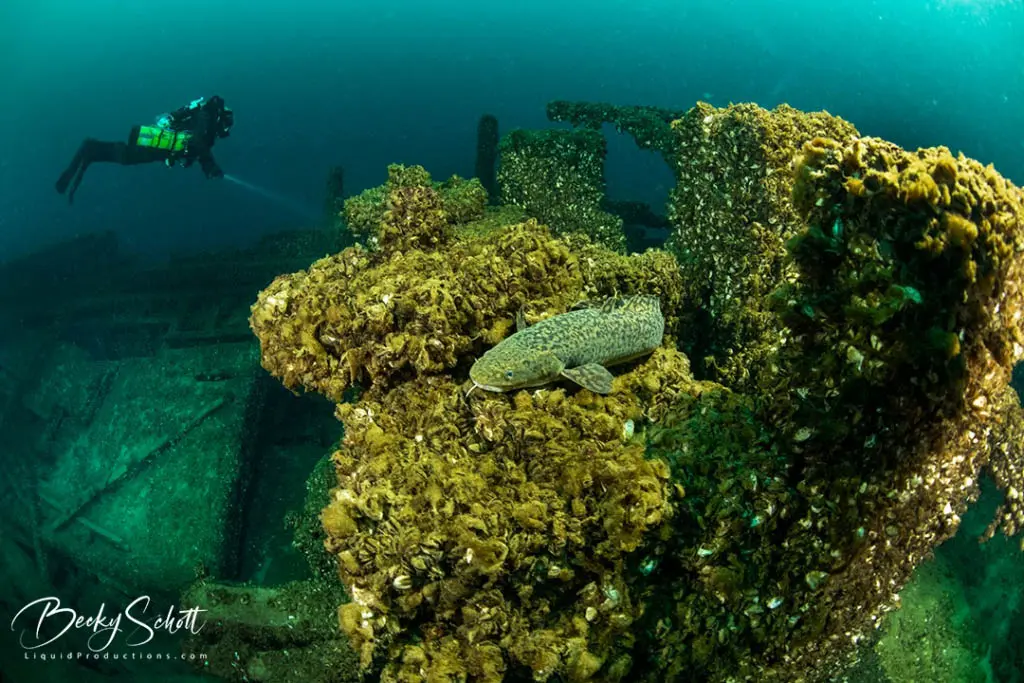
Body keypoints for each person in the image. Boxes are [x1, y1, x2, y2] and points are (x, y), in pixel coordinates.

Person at [55, 95, 234, 204]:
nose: (225, 131)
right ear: (220, 118)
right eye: (226, 126)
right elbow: (197, 141)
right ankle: (90, 148)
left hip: (161, 149)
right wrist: (210, 167)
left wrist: (199, 163)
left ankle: (91, 152)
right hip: (159, 146)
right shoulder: (205, 117)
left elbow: (197, 147)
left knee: (125, 156)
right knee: (125, 155)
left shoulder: (205, 121)